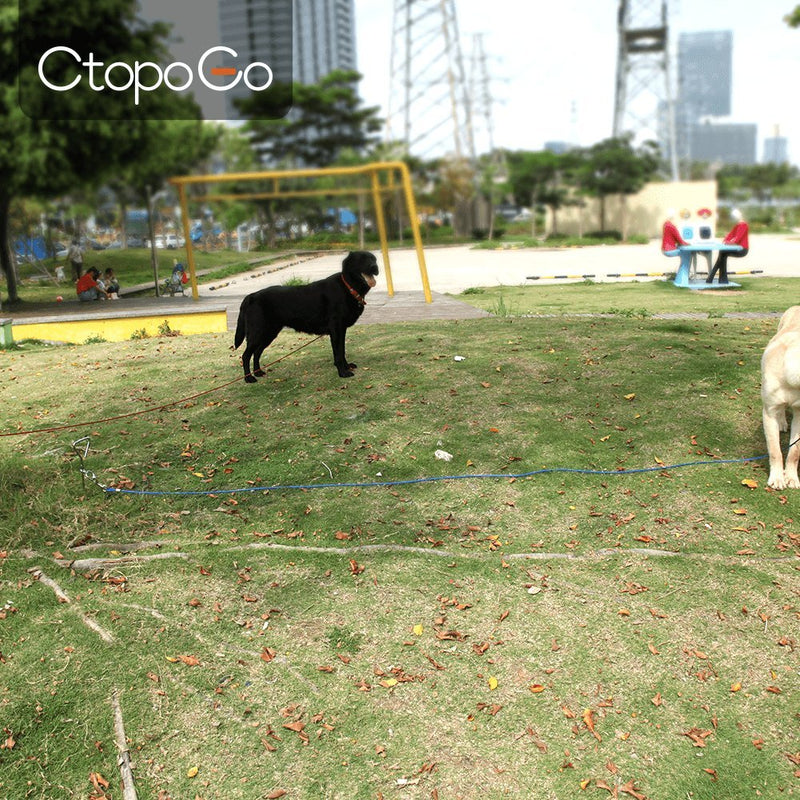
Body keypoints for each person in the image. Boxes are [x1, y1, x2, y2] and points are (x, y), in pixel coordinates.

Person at [707, 209, 749, 285]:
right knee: (722, 253)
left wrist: (728, 242)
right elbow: (730, 235)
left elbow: (737, 239)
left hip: (742, 249)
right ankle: (721, 279)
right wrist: (725, 240)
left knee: (722, 253)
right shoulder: (737, 225)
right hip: (736, 248)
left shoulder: (743, 225)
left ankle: (712, 277)